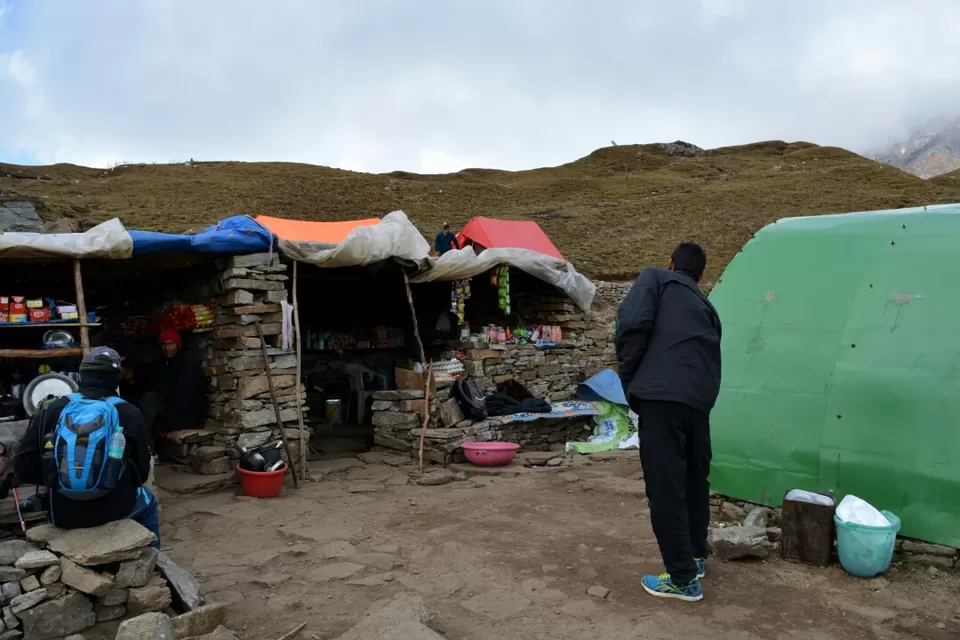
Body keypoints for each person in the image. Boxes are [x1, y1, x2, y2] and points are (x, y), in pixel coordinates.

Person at [616, 242, 722, 602]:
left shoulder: (656, 278)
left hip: (662, 397)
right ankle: (695, 556)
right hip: (698, 402)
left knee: (665, 487)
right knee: (694, 479)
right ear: (700, 275)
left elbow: (632, 324)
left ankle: (682, 578)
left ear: (671, 263)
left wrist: (631, 381)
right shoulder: (706, 306)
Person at [15, 347, 159, 546]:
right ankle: (153, 557)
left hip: (63, 514)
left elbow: (24, 468)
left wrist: (61, 478)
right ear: (116, 378)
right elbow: (142, 473)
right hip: (117, 510)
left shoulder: (52, 409)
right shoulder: (129, 412)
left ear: (81, 375)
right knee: (149, 500)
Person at [134, 330, 207, 449]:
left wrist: (163, 418)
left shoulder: (188, 365)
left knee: (150, 402)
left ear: (178, 345)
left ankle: (148, 449)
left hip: (185, 414)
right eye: (164, 344)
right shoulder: (163, 365)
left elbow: (183, 398)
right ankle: (147, 448)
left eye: (171, 344)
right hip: (169, 410)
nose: (167, 348)